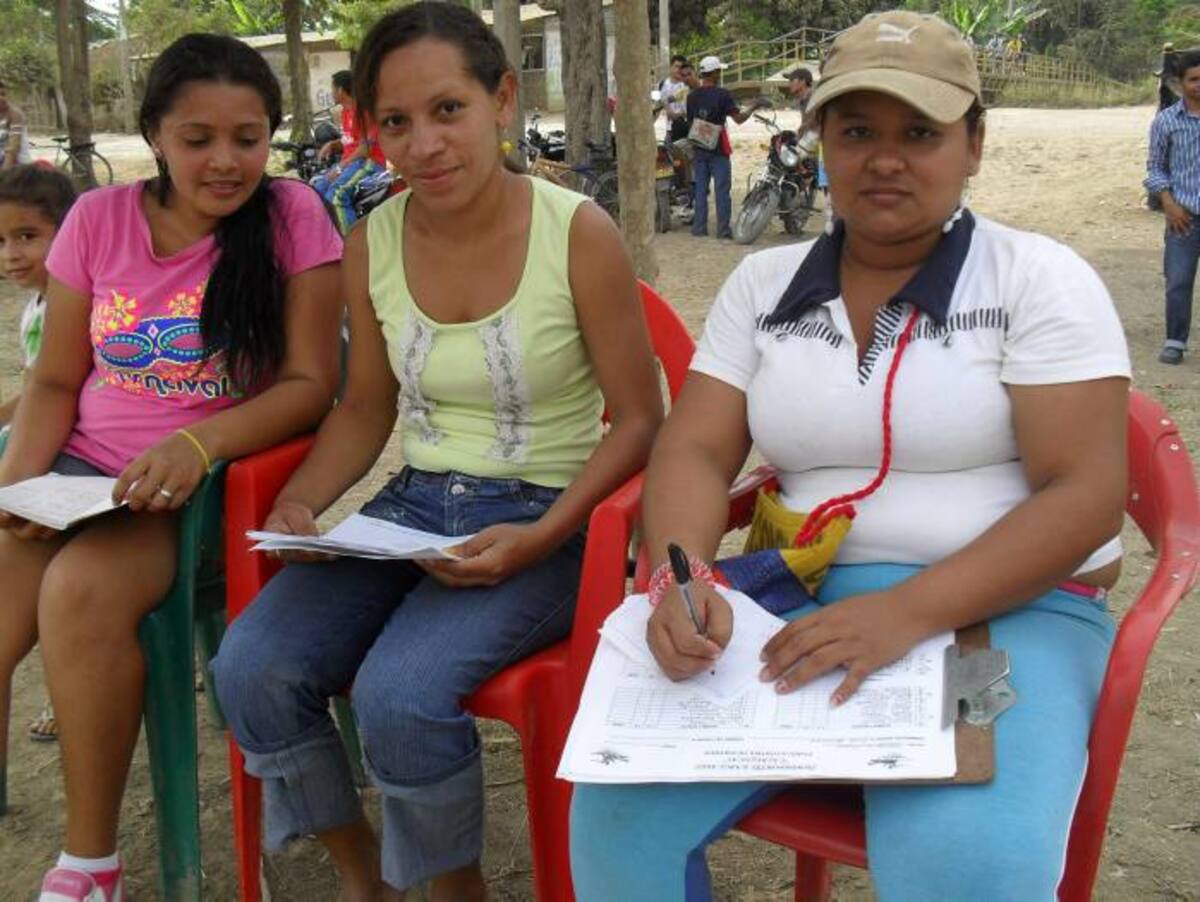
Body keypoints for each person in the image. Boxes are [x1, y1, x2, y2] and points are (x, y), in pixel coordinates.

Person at [570, 11, 1130, 900]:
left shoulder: (1037, 278)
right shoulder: (762, 286)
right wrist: (684, 581)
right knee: (615, 813)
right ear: (820, 139)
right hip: (801, 600)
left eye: (922, 133)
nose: (885, 158)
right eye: (857, 130)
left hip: (1008, 610)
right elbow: (694, 452)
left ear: (974, 145)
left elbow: (1088, 496)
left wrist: (907, 612)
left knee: (966, 863)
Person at [211, 3, 663, 901]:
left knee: (399, 697)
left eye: (447, 109)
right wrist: (303, 503)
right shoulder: (371, 239)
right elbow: (365, 406)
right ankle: (362, 877)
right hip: (414, 511)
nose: (423, 145)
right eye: (395, 122)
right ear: (371, 130)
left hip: (550, 518)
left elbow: (643, 419)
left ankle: (455, 890)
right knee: (248, 668)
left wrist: (543, 538)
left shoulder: (576, 233)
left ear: (501, 100)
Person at [0, 34, 343, 902]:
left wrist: (200, 443)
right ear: (155, 133)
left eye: (248, 137)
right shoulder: (98, 219)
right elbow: (53, 380)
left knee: (77, 594)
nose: (227, 162)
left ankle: (90, 863)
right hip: (81, 470)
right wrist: (19, 489)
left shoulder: (294, 216)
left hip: (202, 488)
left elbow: (312, 383)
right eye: (198, 139)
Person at [0, 164, 78, 746]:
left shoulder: (71, 307)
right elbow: (33, 389)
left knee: (61, 582)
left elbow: (59, 395)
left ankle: (62, 692)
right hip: (36, 446)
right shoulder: (36, 308)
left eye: (28, 236)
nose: (11, 255)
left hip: (67, 463)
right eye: (1, 241)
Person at [1146, 48, 1200, 365]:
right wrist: (1168, 203)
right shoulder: (1166, 122)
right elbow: (1155, 168)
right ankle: (1175, 341)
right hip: (1183, 217)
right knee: (1178, 280)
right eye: (1194, 79)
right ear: (1180, 84)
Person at [685, 55, 762, 239]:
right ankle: (723, 230)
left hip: (699, 148)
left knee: (700, 190)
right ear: (715, 73)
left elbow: (691, 123)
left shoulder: (692, 96)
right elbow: (738, 119)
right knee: (721, 190)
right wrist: (753, 107)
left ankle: (699, 228)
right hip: (718, 149)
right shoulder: (723, 95)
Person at [311, 69, 388, 232]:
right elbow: (350, 141)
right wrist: (332, 145)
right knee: (316, 190)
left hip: (369, 162)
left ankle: (349, 248)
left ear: (340, 90)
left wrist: (340, 167)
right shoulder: (346, 112)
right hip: (352, 163)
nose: (331, 93)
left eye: (332, 88)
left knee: (337, 195)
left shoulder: (364, 110)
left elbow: (366, 147)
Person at [0, 80, 32, 169]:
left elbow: (13, 149)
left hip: (17, 166)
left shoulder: (15, 115)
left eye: (3, 94)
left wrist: (3, 176)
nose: (1, 98)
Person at [660, 55, 691, 144]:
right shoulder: (664, 85)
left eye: (681, 67)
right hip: (672, 129)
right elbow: (670, 114)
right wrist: (683, 114)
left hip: (690, 127)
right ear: (671, 67)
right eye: (676, 66)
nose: (678, 70)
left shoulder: (688, 84)